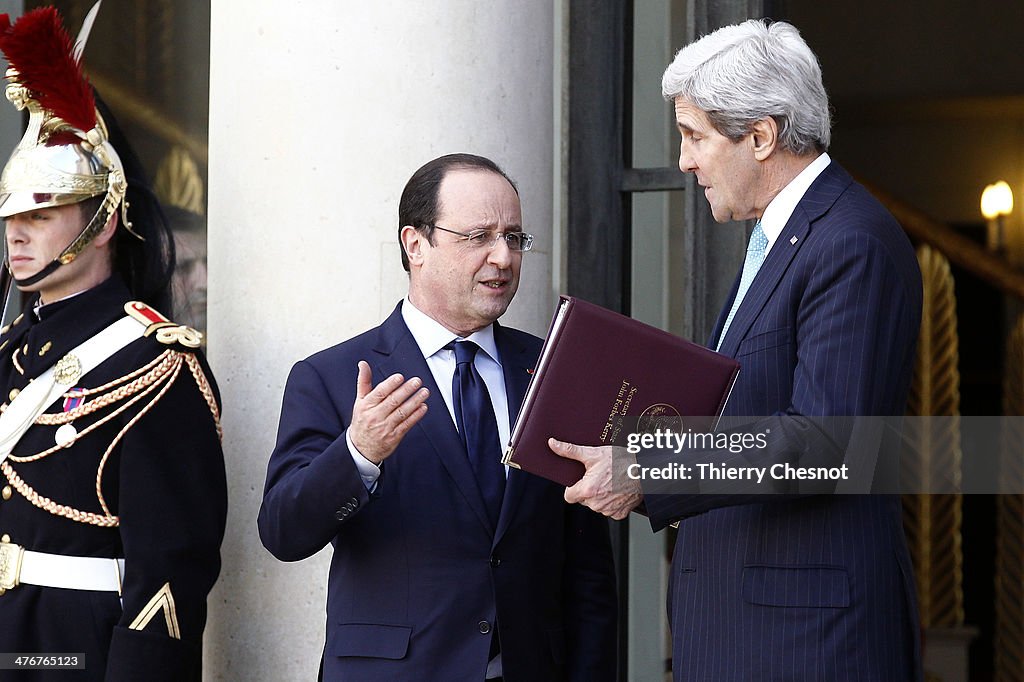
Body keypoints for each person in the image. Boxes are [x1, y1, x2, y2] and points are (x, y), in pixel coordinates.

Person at [549, 19, 923, 682]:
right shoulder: (784, 239)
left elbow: (825, 442)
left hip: (808, 645)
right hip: (756, 635)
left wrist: (649, 464)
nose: (685, 159)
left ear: (761, 135)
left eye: (695, 136)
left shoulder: (849, 242)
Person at [258, 153, 617, 681]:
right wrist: (358, 454)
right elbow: (283, 532)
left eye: (514, 238)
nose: (503, 257)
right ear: (415, 244)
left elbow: (587, 573)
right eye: (478, 237)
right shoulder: (331, 376)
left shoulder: (552, 369)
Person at [0, 7, 226, 681]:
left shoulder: (157, 363)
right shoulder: (11, 351)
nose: (17, 234)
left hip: (74, 654)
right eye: (11, 216)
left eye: (40, 214)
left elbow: (169, 576)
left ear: (101, 223)